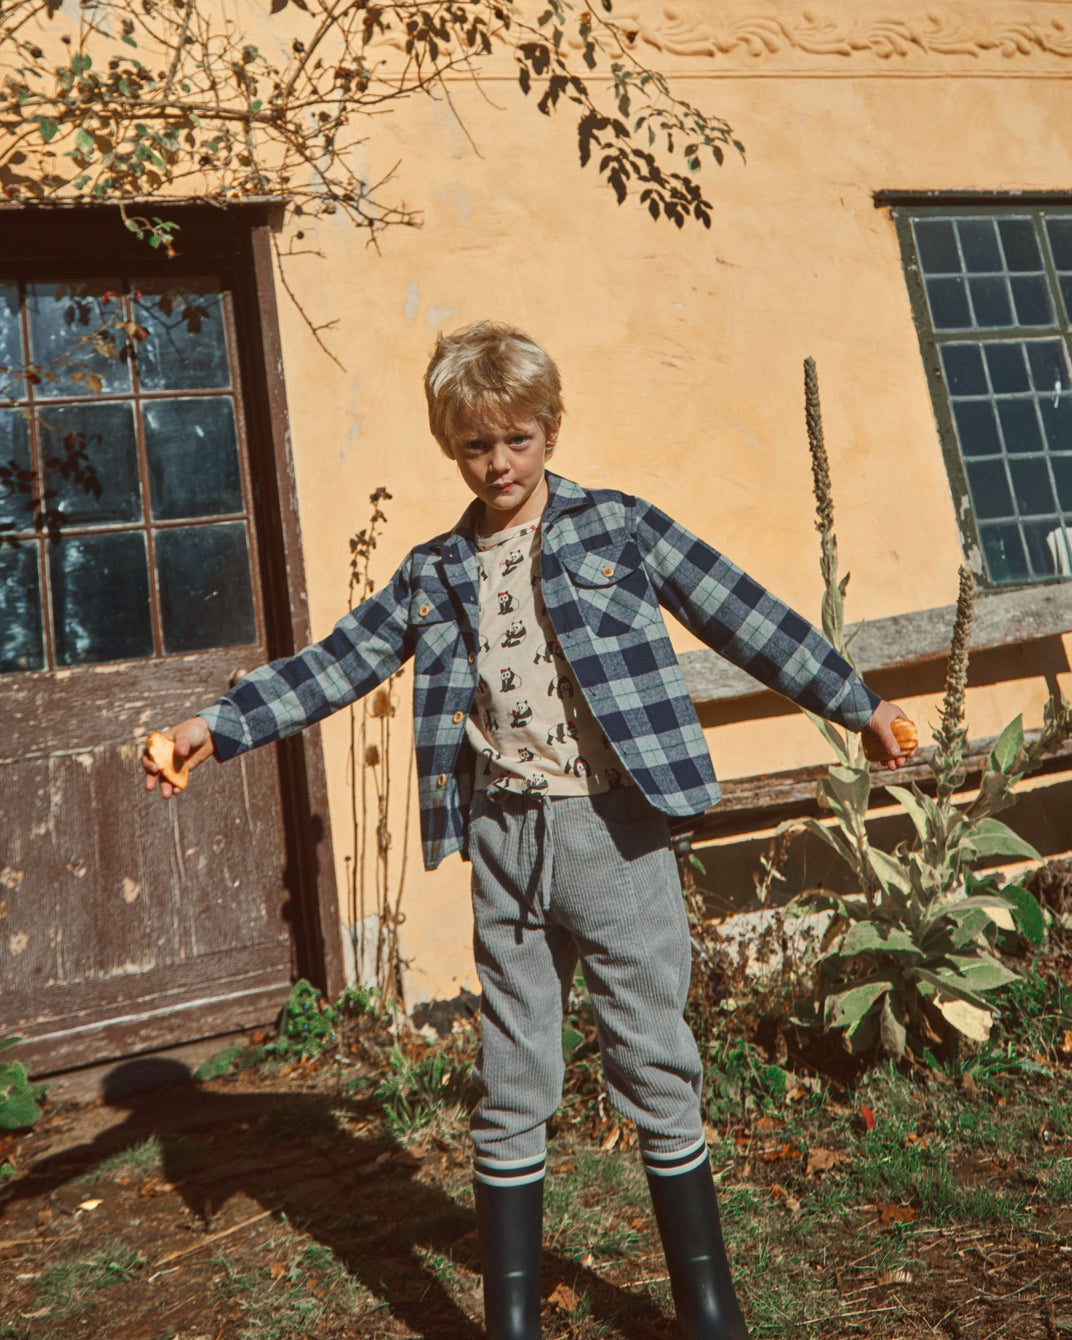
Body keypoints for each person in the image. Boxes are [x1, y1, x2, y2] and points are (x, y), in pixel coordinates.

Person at [142, 321, 917, 1339]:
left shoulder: (620, 528)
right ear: (448, 445)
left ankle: (708, 1306)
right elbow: (335, 662)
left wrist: (857, 702)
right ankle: (509, 1323)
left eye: (517, 438)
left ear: (551, 428)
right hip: (503, 842)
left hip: (616, 833)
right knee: (512, 1079)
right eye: (475, 444)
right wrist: (217, 722)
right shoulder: (434, 572)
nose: (498, 462)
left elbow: (745, 613)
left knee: (651, 1057)